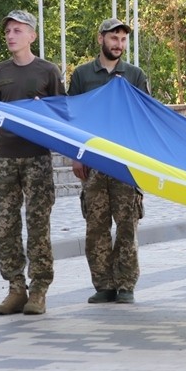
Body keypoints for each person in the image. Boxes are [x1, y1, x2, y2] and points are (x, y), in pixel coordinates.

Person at [0, 10, 66, 315]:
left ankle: (39, 290)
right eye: (8, 31)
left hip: (37, 159)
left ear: (32, 35)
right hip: (6, 158)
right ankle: (15, 289)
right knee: (6, 226)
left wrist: (43, 109)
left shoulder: (47, 71)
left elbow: (62, 115)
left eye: (18, 30)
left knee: (37, 225)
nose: (11, 35)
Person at [68, 18, 148, 305]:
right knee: (96, 226)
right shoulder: (82, 75)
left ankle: (126, 284)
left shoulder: (134, 75)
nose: (119, 44)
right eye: (114, 38)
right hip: (94, 163)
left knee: (127, 225)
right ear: (101, 39)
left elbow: (144, 118)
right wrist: (76, 155)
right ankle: (103, 284)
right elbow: (72, 118)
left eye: (123, 39)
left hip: (125, 163)